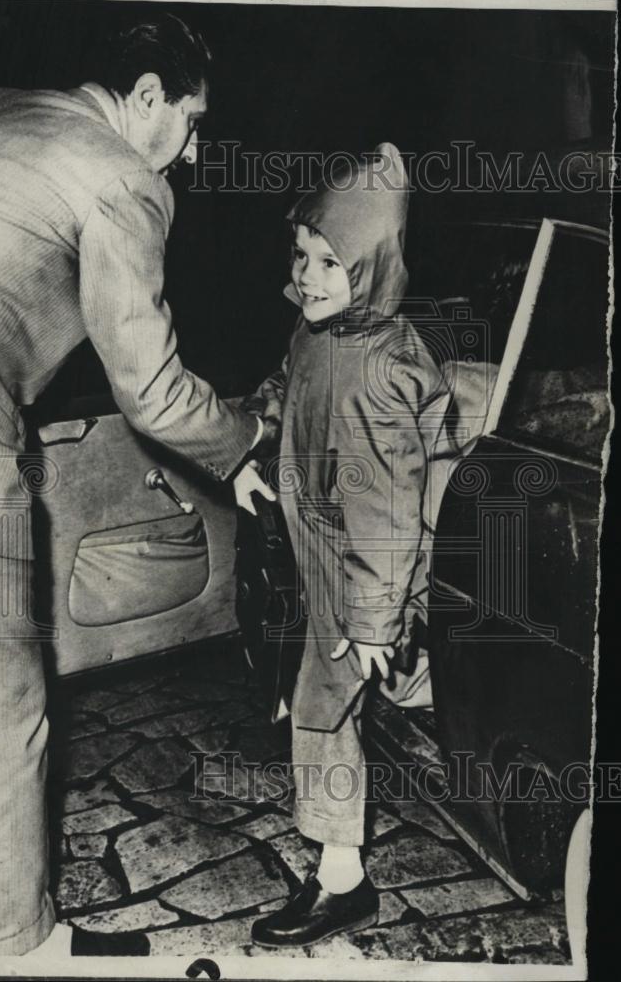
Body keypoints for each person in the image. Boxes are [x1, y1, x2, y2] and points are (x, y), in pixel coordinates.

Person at [0, 12, 273, 958]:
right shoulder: (122, 174)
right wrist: (248, 445)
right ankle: (8, 947)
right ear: (144, 98)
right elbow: (156, 390)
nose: (195, 152)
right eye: (192, 122)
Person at [244, 143, 458, 947]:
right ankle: (428, 691)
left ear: (371, 269)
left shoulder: (377, 372)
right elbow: (284, 386)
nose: (309, 276)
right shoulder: (318, 333)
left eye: (332, 263)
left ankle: (343, 881)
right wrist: (255, 438)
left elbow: (389, 512)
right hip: (328, 553)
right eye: (302, 254)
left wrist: (373, 620)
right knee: (385, 690)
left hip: (365, 565)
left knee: (321, 711)